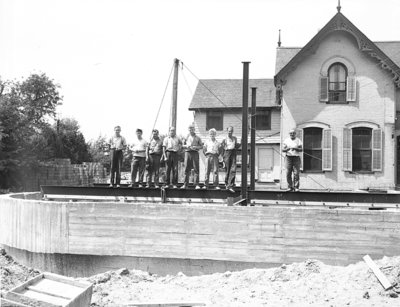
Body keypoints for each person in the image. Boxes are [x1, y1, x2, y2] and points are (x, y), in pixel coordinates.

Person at [181, 124, 203, 189]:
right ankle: (185, 184)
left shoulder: (198, 137)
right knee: (186, 169)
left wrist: (196, 147)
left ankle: (196, 184)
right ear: (188, 130)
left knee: (196, 169)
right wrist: (186, 146)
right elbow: (182, 145)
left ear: (194, 129)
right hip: (187, 153)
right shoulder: (186, 137)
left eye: (192, 129)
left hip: (195, 153)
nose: (191, 130)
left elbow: (201, 146)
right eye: (190, 129)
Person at [221, 126, 240, 193]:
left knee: (233, 169)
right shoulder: (224, 139)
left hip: (233, 153)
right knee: (228, 169)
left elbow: (236, 146)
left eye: (231, 131)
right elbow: (221, 148)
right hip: (227, 153)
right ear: (227, 131)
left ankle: (231, 185)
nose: (230, 132)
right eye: (229, 131)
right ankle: (227, 184)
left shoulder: (235, 138)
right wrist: (222, 158)